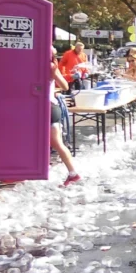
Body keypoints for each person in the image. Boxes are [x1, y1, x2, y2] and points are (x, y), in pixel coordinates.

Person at [50, 49, 81, 186]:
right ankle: (72, 173)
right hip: (51, 106)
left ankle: (73, 173)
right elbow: (63, 85)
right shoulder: (51, 66)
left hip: (47, 108)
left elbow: (65, 85)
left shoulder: (48, 66)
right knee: (56, 143)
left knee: (56, 143)